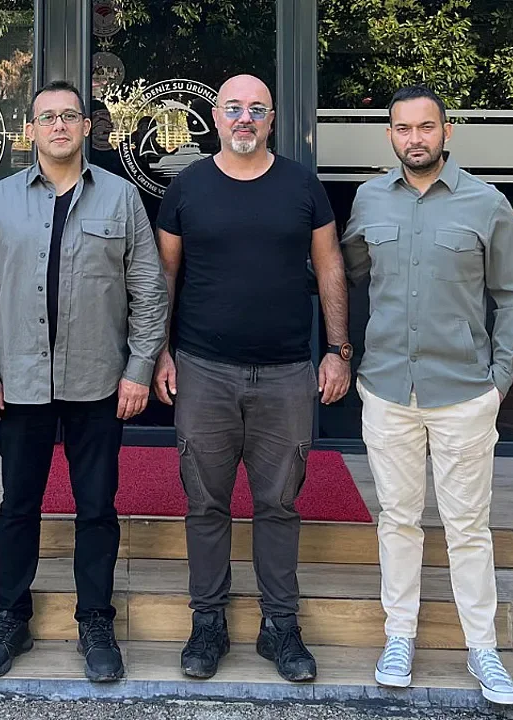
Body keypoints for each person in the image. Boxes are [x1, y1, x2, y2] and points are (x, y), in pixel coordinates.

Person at [0, 80, 168, 683]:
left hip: (98, 381)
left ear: (87, 127)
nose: (58, 126)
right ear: (30, 130)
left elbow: (148, 289)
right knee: (17, 506)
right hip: (18, 381)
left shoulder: (122, 198)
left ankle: (95, 619)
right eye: (47, 117)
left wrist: (138, 369)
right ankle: (10, 616)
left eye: (69, 116)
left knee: (96, 507)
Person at [152, 74, 352, 683]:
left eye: (257, 109)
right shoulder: (186, 186)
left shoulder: (301, 184)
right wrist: (159, 353)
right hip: (202, 370)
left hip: (288, 372)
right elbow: (164, 276)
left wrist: (338, 351)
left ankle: (280, 626)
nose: (245, 118)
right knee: (205, 503)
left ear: (271, 120)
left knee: (279, 504)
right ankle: (208, 622)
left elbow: (329, 266)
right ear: (216, 117)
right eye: (234, 108)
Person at [340, 85, 513, 705]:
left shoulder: (487, 204)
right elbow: (348, 272)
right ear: (390, 136)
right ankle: (399, 637)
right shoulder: (369, 199)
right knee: (397, 520)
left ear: (447, 132)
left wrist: (499, 381)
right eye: (403, 128)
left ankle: (483, 648)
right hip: (387, 388)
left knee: (467, 526)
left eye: (426, 127)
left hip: (464, 394)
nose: (415, 138)